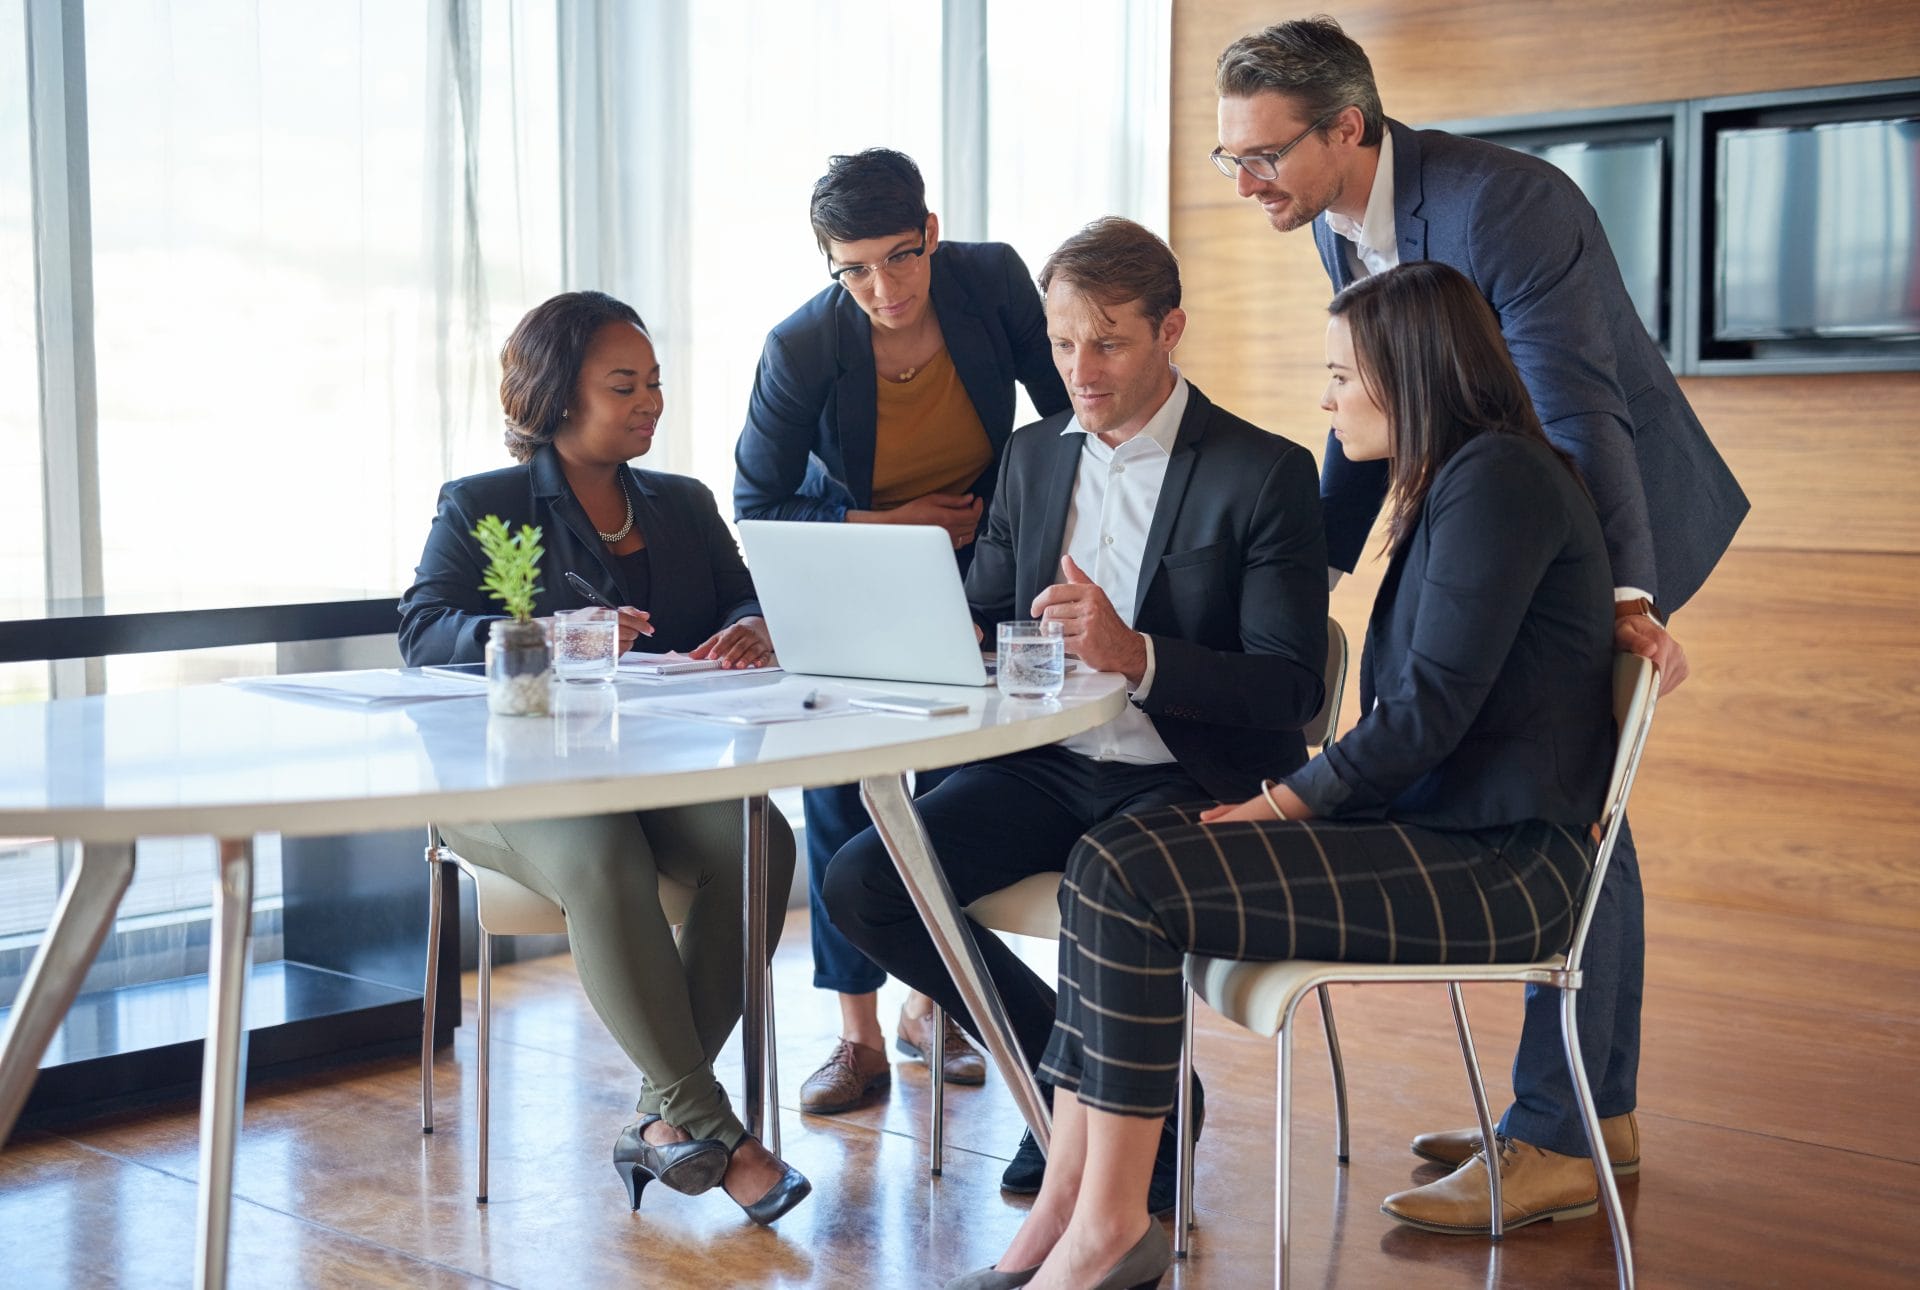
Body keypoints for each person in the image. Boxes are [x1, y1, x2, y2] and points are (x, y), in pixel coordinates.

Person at [953, 260, 1617, 1290]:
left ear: (1413, 375)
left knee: (1125, 876)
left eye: (1343, 374)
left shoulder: (1499, 481)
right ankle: (1065, 1210)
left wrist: (1276, 805)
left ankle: (1106, 1230)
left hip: (1501, 868)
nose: (1328, 397)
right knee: (1111, 859)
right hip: (1451, 841)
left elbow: (1422, 719)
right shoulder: (1471, 480)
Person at [1210, 16, 1750, 1229]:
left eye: (1263, 157)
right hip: (1516, 518)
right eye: (1228, 160)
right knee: (1565, 802)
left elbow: (1577, 409)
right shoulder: (1335, 217)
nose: (1245, 184)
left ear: (1346, 128)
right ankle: (1583, 1114)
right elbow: (1382, 383)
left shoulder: (1506, 203)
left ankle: (1560, 1133)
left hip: (1603, 526)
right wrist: (1292, 573)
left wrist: (1619, 598)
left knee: (1575, 805)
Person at [824, 217, 1328, 1218]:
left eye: (1108, 342)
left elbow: (1292, 692)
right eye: (1060, 343)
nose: (1080, 369)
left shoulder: (1263, 472)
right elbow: (986, 607)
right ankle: (1082, 1079)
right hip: (1040, 762)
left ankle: (1101, 1115)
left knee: (1104, 886)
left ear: (1169, 329)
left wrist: (1133, 653)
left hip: (1186, 773)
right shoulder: (1029, 457)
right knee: (867, 882)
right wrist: (919, 627)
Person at [398, 290, 810, 1225]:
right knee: (604, 854)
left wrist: (751, 629)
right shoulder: (485, 504)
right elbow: (424, 633)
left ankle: (662, 1126)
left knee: (761, 843)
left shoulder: (684, 504)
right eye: (623, 385)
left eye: (655, 383)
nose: (649, 402)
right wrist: (548, 633)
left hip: (648, 771)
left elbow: (746, 601)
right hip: (505, 779)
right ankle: (713, 1129)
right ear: (554, 395)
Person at [734, 148, 1070, 1115]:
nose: (883, 288)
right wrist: (897, 526)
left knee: (962, 786)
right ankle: (859, 1038)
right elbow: (755, 503)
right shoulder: (801, 347)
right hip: (862, 563)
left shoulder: (990, 277)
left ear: (930, 233)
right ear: (829, 266)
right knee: (848, 788)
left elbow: (1063, 416)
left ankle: (938, 1006)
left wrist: (1008, 528)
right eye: (855, 269)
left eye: (899, 257)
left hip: (985, 552)